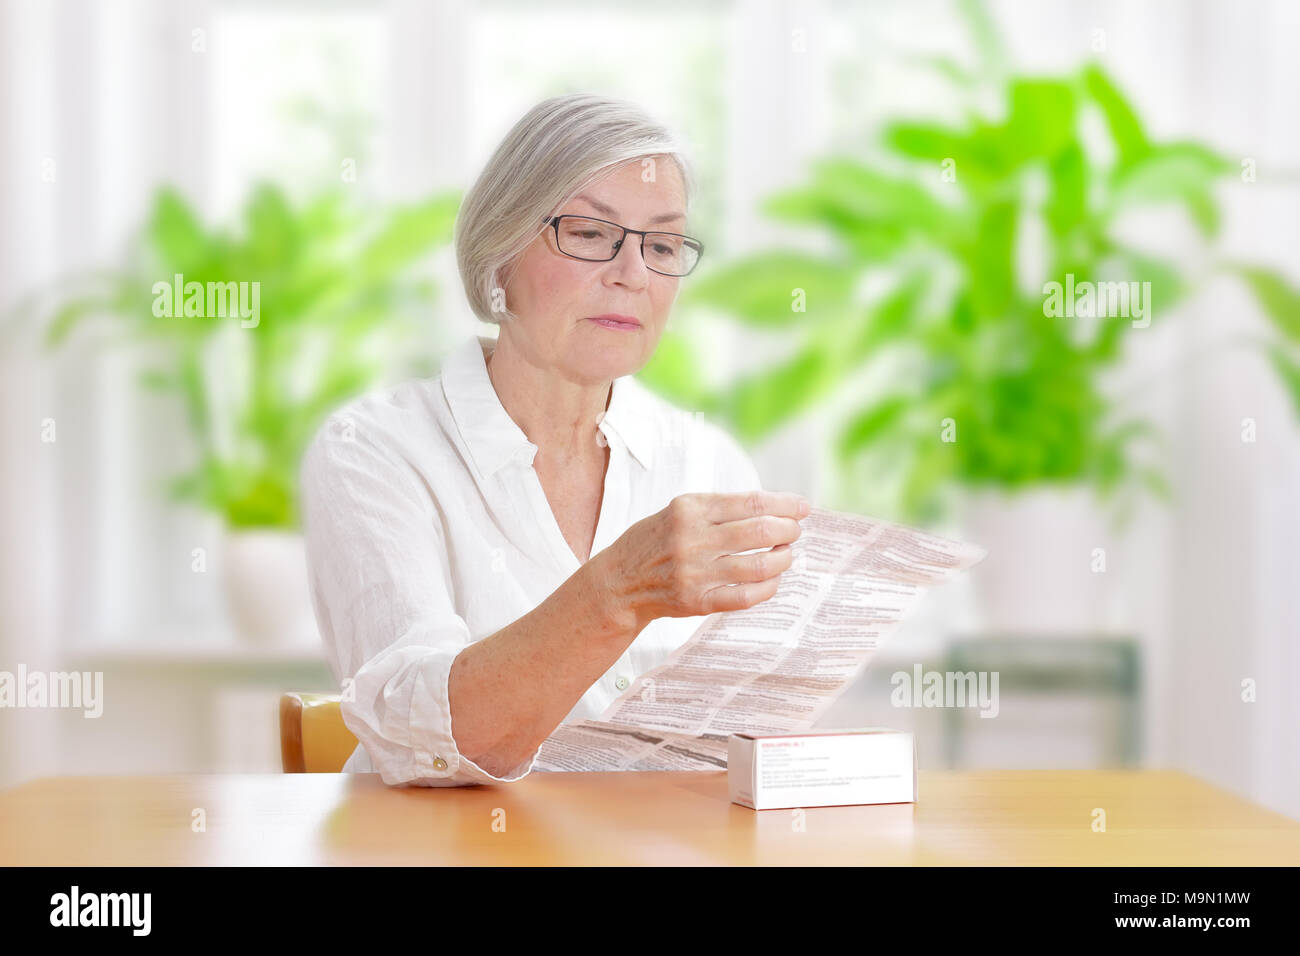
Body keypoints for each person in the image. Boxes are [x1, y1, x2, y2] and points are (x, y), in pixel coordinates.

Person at [299, 93, 809, 786]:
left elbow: (749, 737)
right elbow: (427, 745)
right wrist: (622, 588)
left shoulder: (707, 461)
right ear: (498, 256)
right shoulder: (374, 451)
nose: (633, 274)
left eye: (660, 245)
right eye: (592, 234)